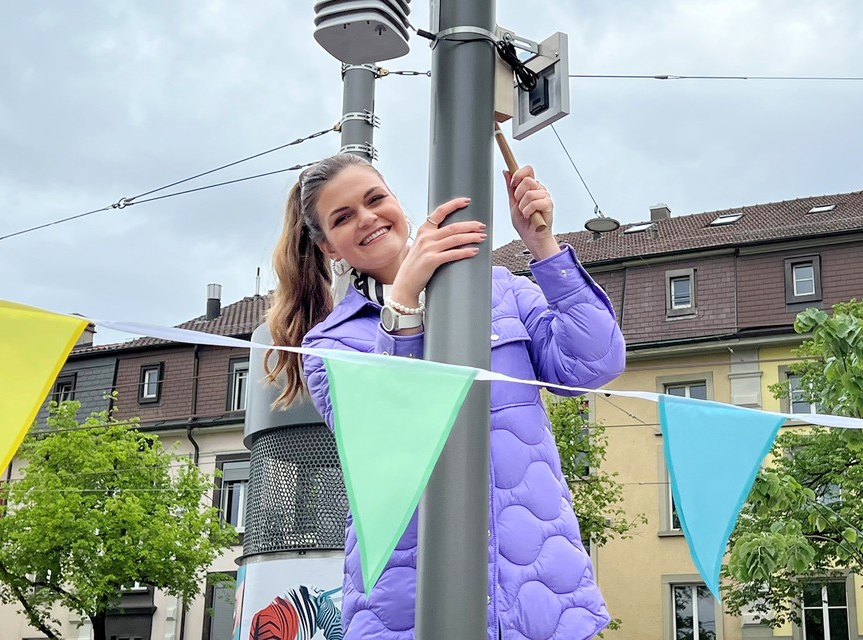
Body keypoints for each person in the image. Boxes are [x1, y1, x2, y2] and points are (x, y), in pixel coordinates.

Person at [266, 153, 626, 640]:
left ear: (397, 202)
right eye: (343, 217)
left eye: (375, 199)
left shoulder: (498, 288)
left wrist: (542, 244)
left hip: (538, 593)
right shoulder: (330, 343)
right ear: (329, 247)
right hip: (405, 611)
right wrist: (405, 298)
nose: (368, 218)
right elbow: (389, 434)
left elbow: (592, 364)